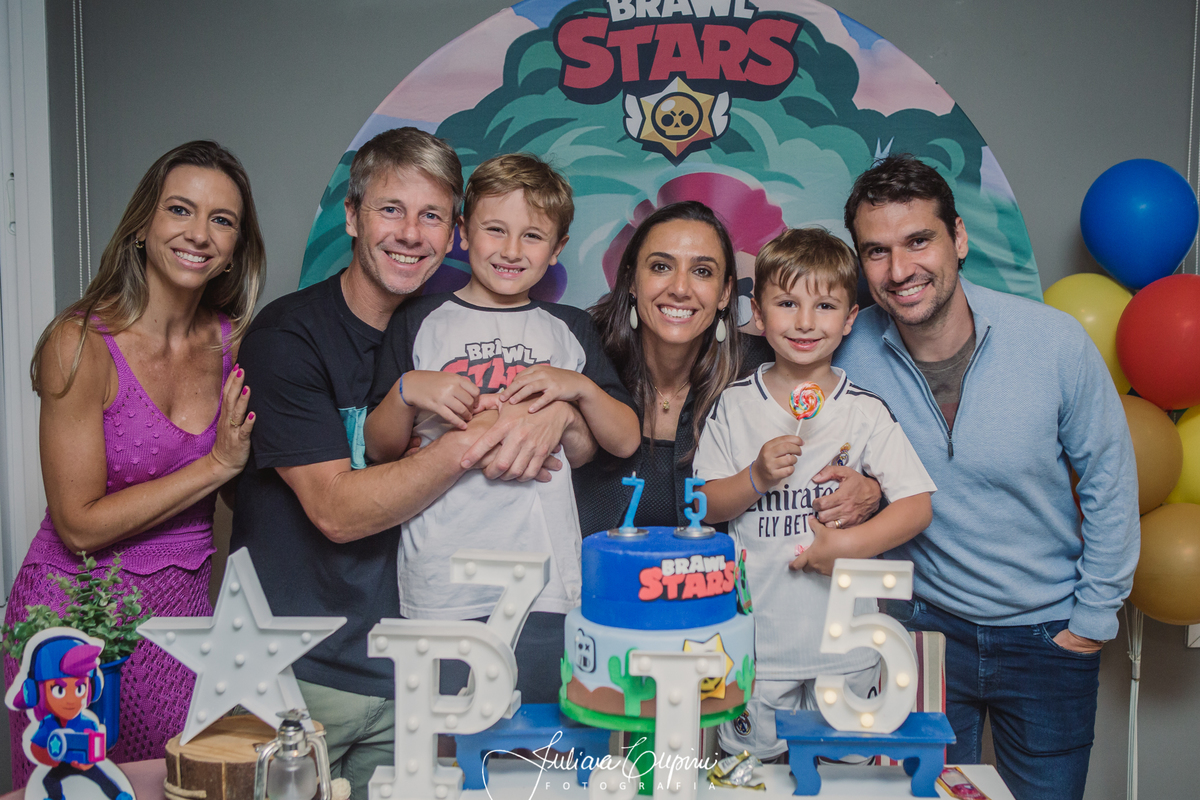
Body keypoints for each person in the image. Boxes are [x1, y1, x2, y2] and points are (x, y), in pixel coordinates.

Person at [231, 130, 597, 798]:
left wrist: (563, 415)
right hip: (305, 677)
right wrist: (486, 433)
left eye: (430, 215)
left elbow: (597, 429)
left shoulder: (452, 332)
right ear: (352, 216)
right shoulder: (289, 337)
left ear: (452, 230)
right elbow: (337, 512)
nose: (409, 233)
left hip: (419, 671)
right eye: (390, 210)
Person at [835, 154, 1139, 800]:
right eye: (877, 252)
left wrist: (1090, 624)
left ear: (959, 237)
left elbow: (1110, 483)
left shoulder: (1054, 343)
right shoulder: (847, 349)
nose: (900, 270)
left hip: (1049, 635)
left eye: (919, 241)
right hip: (920, 632)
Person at [3, 141, 264, 784]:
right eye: (180, 209)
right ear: (143, 225)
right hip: (76, 615)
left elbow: (247, 494)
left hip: (183, 615)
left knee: (180, 786)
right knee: (77, 791)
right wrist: (215, 466)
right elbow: (78, 525)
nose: (198, 233)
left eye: (221, 220)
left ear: (236, 247)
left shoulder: (236, 343)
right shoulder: (80, 343)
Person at [364, 153, 638, 699]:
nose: (512, 250)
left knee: (536, 729)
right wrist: (407, 389)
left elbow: (625, 439)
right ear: (463, 232)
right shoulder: (419, 320)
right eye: (495, 230)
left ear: (557, 248)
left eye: (532, 236)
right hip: (441, 578)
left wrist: (578, 388)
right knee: (444, 729)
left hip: (545, 579)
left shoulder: (568, 328)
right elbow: (379, 450)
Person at [693, 227, 935, 759]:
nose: (805, 322)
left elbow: (917, 506)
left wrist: (845, 546)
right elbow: (703, 505)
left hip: (847, 647)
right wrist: (756, 477)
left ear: (850, 319)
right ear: (758, 314)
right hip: (758, 647)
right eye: (787, 303)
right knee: (751, 778)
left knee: (847, 778)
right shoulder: (735, 405)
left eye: (825, 306)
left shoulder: (864, 411)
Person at [575, 202, 881, 534]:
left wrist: (872, 490)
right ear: (632, 281)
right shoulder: (582, 355)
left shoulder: (767, 367)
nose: (680, 288)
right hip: (590, 565)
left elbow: (843, 433)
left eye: (702, 271)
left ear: (725, 293)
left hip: (726, 568)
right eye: (661, 267)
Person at [7, 634, 132, 800]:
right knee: (49, 781)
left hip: (85, 765)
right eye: (59, 690)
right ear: (35, 692)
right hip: (62, 764)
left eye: (80, 688)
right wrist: (51, 758)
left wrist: (87, 761)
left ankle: (118, 795)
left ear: (92, 688)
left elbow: (97, 747)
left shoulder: (87, 723)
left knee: (102, 779)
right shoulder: (48, 725)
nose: (71, 700)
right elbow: (36, 748)